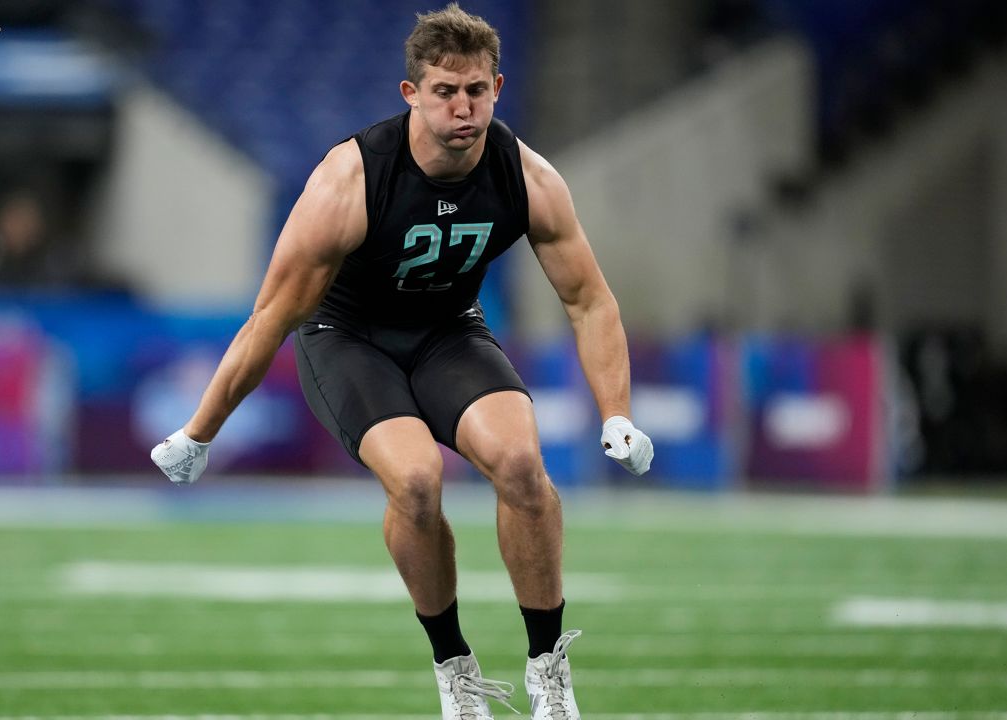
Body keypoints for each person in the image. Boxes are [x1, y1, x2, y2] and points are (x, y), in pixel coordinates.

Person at [151, 4, 653, 717]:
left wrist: (617, 413)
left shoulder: (527, 176)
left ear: (498, 88)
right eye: (446, 91)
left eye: (476, 90)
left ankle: (548, 669)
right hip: (347, 336)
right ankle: (454, 665)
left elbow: (589, 300)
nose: (463, 107)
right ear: (411, 93)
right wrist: (200, 430)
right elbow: (273, 314)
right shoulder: (351, 179)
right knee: (416, 480)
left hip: (448, 329)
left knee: (520, 465)